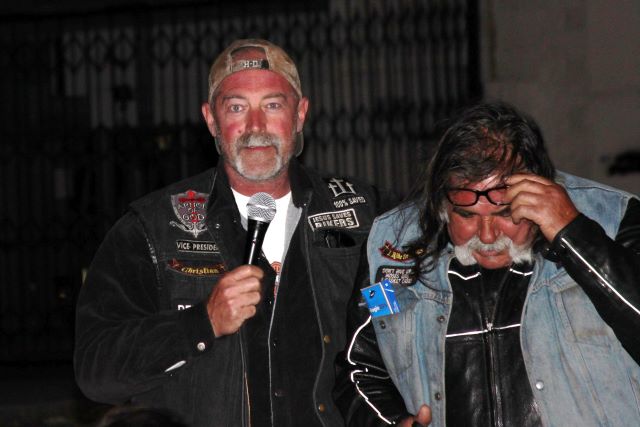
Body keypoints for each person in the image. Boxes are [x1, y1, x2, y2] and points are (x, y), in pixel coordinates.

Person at [75, 39, 391, 427]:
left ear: (300, 115)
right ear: (211, 120)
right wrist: (201, 323)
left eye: (272, 105)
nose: (255, 126)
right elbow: (96, 372)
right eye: (237, 107)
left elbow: (391, 337)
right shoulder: (152, 227)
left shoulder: (362, 214)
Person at [333, 102, 640, 426]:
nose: (488, 235)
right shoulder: (392, 250)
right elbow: (360, 368)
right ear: (440, 203)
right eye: (467, 215)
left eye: (505, 213)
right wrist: (390, 422)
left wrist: (573, 234)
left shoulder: (613, 218)